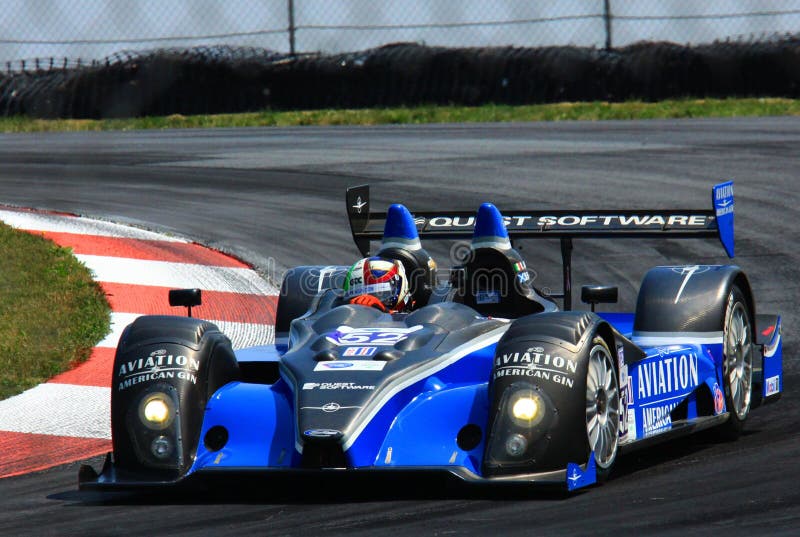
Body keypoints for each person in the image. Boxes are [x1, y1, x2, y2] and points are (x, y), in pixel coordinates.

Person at [342, 256, 411, 313]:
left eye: (381, 294)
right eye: (358, 296)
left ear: (402, 289)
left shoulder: (415, 321)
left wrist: (383, 310)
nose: (366, 304)